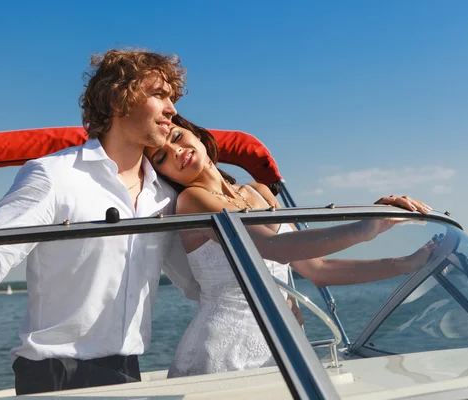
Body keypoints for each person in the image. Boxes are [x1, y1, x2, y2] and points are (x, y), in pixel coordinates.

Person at [0, 48, 200, 394]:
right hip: (53, 378)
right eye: (159, 95)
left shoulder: (163, 196)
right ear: (118, 101)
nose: (172, 110)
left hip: (127, 376)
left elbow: (195, 282)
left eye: (173, 98)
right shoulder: (54, 176)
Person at [144, 114, 435, 378]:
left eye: (177, 138)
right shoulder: (192, 202)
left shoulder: (258, 191)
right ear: (165, 174)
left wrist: (404, 264)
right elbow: (273, 248)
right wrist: (366, 226)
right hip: (221, 354)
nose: (176, 151)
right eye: (161, 157)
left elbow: (317, 269)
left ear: (198, 136)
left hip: (281, 348)